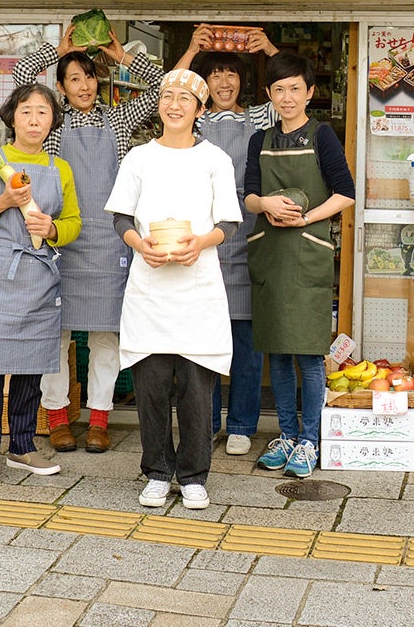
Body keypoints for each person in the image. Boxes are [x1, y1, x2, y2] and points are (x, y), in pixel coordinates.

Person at [13, 18, 164, 454]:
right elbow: (22, 80)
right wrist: (56, 51)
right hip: (59, 238)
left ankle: (100, 419)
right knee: (55, 336)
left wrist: (122, 57)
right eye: (73, 78)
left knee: (106, 338)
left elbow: (160, 90)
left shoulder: (118, 121)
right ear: (60, 85)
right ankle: (58, 419)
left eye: (89, 77)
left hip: (107, 242)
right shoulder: (51, 124)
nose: (84, 86)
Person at [104, 68, 241, 510]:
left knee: (197, 387)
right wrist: (139, 244)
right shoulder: (139, 158)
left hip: (198, 288)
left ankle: (195, 473)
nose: (174, 104)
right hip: (150, 288)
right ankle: (158, 471)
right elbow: (121, 217)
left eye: (185, 98)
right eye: (167, 96)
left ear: (200, 110)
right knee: (152, 385)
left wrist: (200, 243)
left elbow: (229, 223)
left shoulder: (215, 159)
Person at [0, 83, 81, 483]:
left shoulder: (60, 169)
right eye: (26, 111)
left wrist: (54, 228)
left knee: (31, 367)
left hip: (39, 274)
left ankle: (23, 447)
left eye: (42, 112)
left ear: (52, 122)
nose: (33, 119)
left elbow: (76, 223)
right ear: (11, 117)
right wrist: (3, 203)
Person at [244, 52, 355, 479]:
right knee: (276, 353)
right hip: (270, 251)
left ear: (310, 92)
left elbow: (344, 192)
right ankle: (286, 435)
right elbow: (249, 195)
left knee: (308, 354)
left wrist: (305, 219)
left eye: (295, 88)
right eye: (278, 89)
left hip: (306, 252)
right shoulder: (260, 140)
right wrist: (265, 203)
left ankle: (311, 440)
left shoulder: (323, 136)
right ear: (269, 95)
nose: (286, 97)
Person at [174, 23, 279, 455]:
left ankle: (241, 425)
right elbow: (172, 89)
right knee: (203, 341)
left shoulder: (256, 116)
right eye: (214, 74)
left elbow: (285, 89)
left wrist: (269, 48)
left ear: (242, 81)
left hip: (247, 230)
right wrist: (190, 50)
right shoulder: (192, 118)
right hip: (203, 233)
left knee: (247, 344)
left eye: (230, 74)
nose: (223, 81)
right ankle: (207, 421)